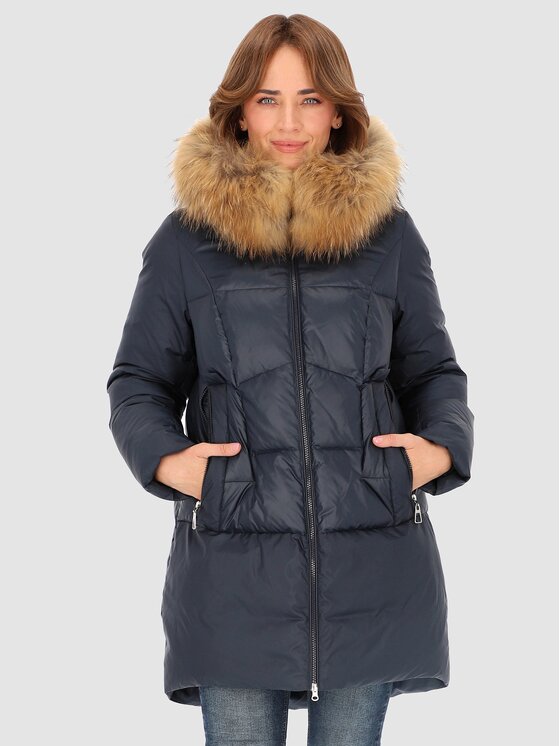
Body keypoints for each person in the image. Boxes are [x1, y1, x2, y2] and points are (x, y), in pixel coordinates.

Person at [106, 13, 474, 746]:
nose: (288, 122)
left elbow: (434, 370)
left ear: (338, 111)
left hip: (371, 562)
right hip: (232, 574)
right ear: (239, 110)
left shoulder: (389, 236)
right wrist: (171, 462)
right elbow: (138, 380)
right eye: (268, 98)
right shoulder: (186, 242)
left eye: (310, 98)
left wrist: (439, 449)